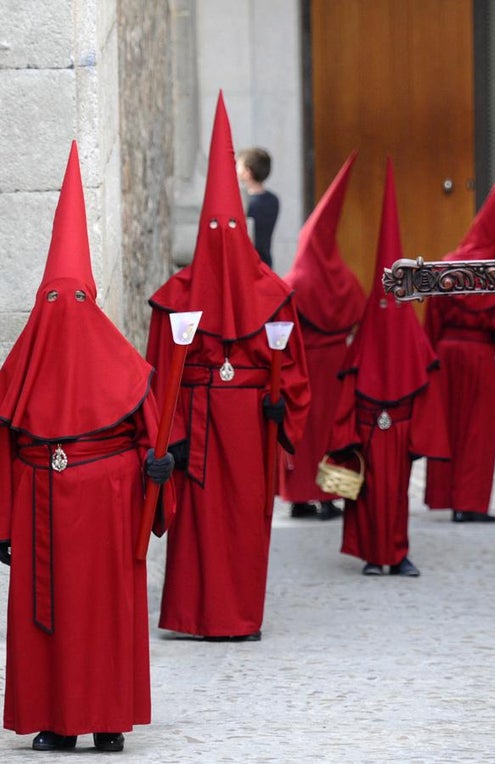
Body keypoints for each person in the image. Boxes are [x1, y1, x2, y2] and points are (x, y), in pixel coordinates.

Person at [0, 143, 175, 753]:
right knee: (48, 622)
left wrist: (159, 473)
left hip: (108, 501)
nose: (63, 312)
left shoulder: (127, 366)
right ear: (40, 301)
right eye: (54, 299)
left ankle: (108, 718)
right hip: (40, 502)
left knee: (103, 615)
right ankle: (55, 720)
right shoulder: (20, 363)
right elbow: (4, 442)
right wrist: (3, 524)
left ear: (91, 302)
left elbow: (152, 432)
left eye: (74, 299)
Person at [150, 93, 310, 641]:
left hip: (246, 422)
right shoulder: (174, 298)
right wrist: (168, 432)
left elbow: (290, 364)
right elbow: (160, 370)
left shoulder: (272, 295)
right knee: (197, 522)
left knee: (242, 516)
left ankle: (240, 614)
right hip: (196, 420)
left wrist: (279, 406)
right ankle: (195, 614)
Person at [327, 158, 450, 577]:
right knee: (364, 492)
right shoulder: (374, 324)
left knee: (395, 493)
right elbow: (348, 384)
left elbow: (426, 386)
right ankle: (370, 552)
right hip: (367, 425)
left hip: (396, 428)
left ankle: (395, 553)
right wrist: (343, 434)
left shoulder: (409, 332)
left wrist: (420, 434)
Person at [423, 137, 495, 524]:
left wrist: (431, 352)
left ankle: (444, 496)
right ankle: (469, 503)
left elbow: (431, 317)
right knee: (477, 433)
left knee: (446, 425)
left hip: (445, 356)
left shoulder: (448, 265)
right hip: (480, 358)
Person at [280, 152, 365, 521]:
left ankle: (299, 499)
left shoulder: (294, 281)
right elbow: (359, 313)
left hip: (303, 364)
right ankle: (332, 497)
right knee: (334, 429)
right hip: (337, 365)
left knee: (302, 429)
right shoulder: (345, 279)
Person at [236, 146, 280, 268]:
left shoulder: (247, 203)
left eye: (239, 166)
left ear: (248, 172)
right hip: (265, 262)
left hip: (248, 265)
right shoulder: (273, 200)